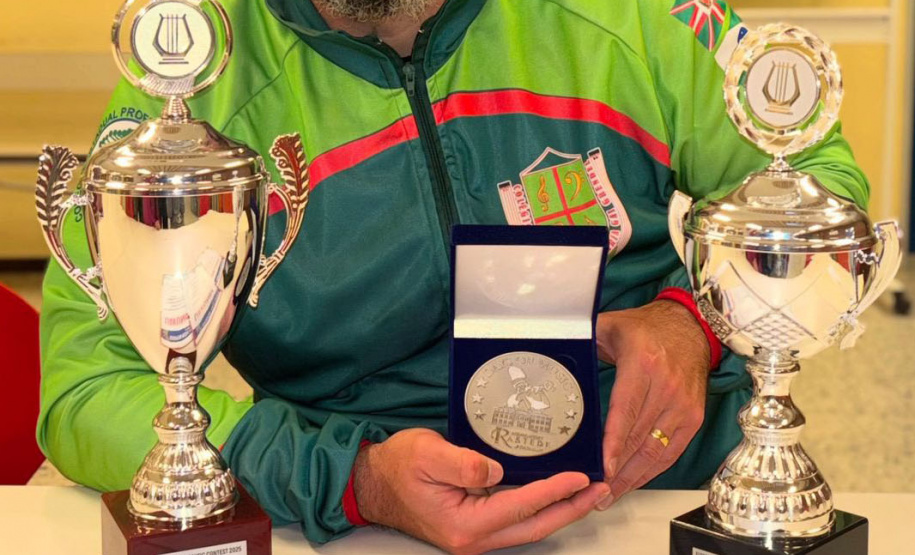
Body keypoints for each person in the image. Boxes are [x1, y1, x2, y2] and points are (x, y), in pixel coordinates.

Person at [38, 0, 869, 553]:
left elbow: (817, 181)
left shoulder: (633, 14)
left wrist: (693, 323)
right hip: (350, 524)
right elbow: (85, 388)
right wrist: (351, 477)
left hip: (661, 496)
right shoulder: (189, 77)